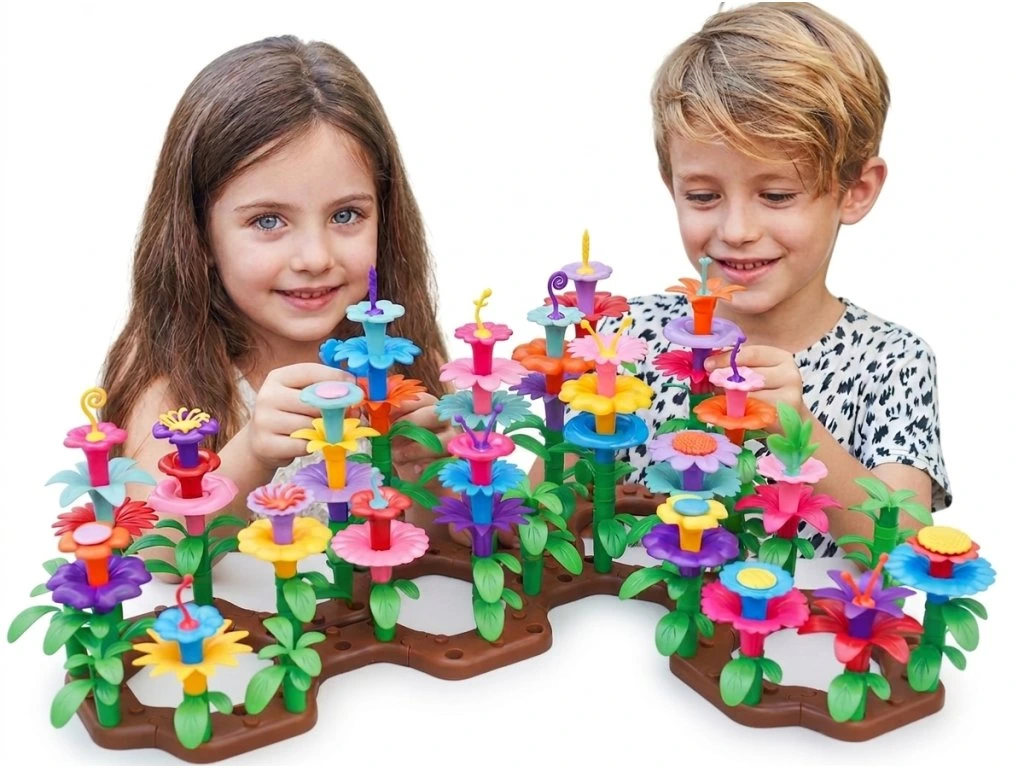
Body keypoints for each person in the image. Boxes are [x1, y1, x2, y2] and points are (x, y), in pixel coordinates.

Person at [572, 2, 951, 558]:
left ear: (856, 190)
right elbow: (537, 522)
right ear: (670, 184)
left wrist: (796, 431)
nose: (737, 230)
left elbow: (908, 550)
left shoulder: (892, 360)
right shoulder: (622, 336)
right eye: (703, 195)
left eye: (776, 195)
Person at [99, 36, 455, 571]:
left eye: (346, 215)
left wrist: (429, 477)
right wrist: (250, 455)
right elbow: (155, 555)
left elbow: (443, 546)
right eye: (268, 221)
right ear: (198, 234)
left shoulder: (402, 356)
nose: (314, 258)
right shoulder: (171, 377)